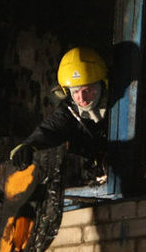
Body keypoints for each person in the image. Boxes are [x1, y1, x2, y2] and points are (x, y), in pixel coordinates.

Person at [9, 46, 109, 184]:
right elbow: (49, 130)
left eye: (88, 90)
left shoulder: (122, 104)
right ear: (67, 92)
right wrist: (28, 146)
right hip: (94, 180)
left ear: (103, 85)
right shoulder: (69, 112)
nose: (82, 98)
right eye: (75, 92)